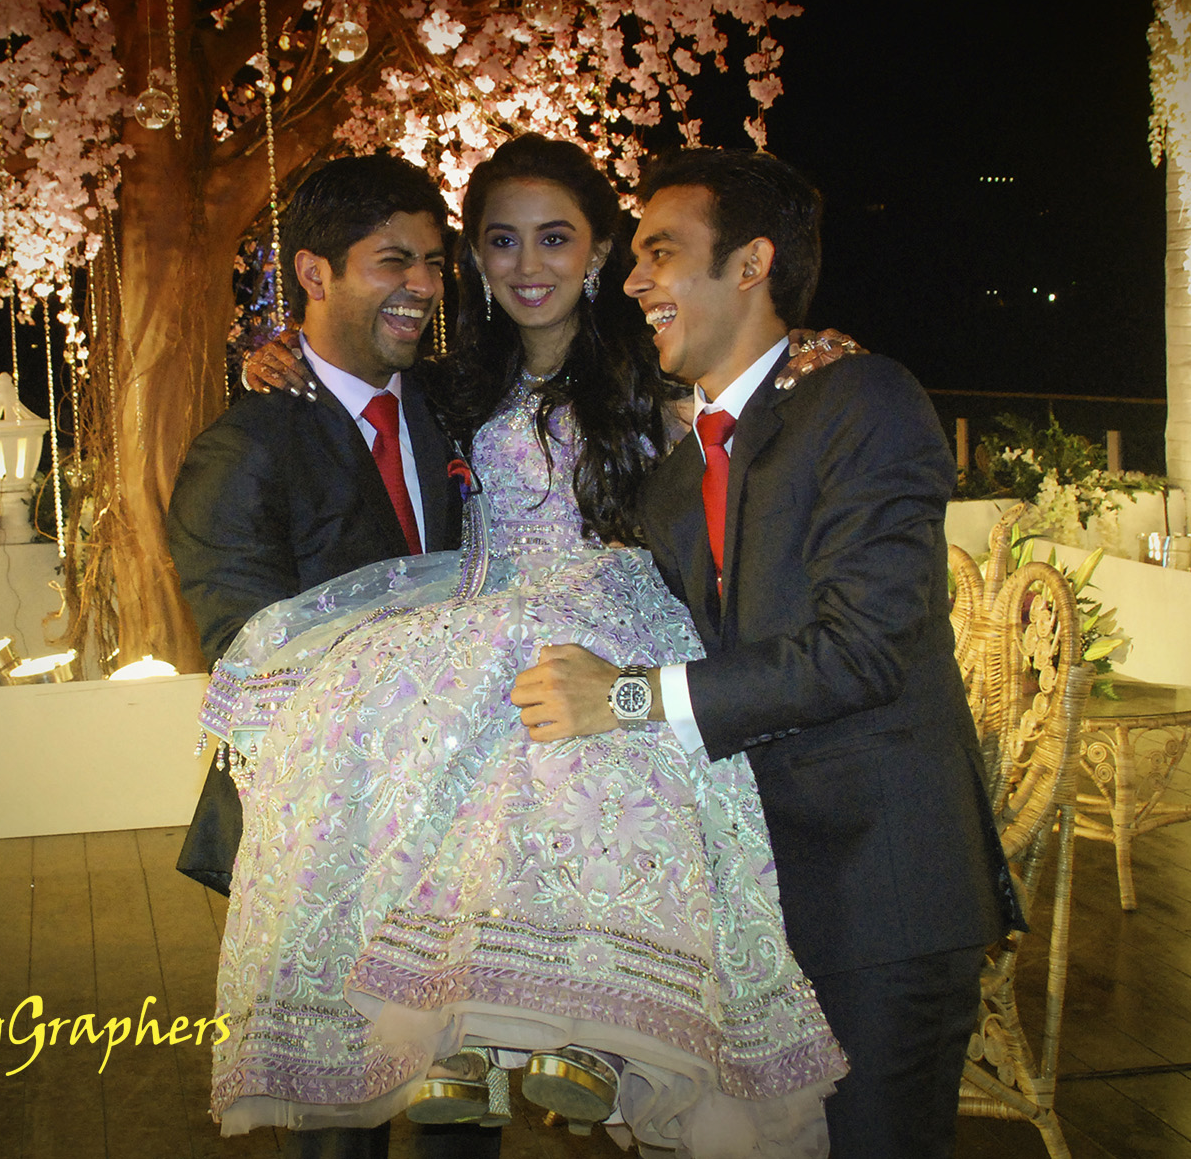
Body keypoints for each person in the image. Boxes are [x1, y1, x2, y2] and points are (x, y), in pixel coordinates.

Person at [211, 135, 850, 1156]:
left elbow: (746, 391)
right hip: (479, 619)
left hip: (610, 619)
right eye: (501, 241)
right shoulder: (457, 381)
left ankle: (597, 1029)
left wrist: (808, 351)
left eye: (555, 238)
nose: (526, 264)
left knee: (578, 768)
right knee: (437, 779)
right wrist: (281, 352)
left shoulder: (653, 364)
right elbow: (359, 386)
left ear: (600, 251)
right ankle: (457, 1027)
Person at [511, 148, 1026, 1158]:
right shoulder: (674, 481)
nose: (633, 280)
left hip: (883, 897)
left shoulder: (863, 402)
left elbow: (862, 649)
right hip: (750, 902)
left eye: (661, 251)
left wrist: (623, 697)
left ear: (751, 263)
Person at [166, 152, 478, 1159]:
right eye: (394, 261)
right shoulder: (245, 449)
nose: (423, 285)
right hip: (324, 836)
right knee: (341, 1128)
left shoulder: (451, 409)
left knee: (462, 1118)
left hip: (466, 832)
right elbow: (252, 661)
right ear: (313, 271)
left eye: (433, 262)